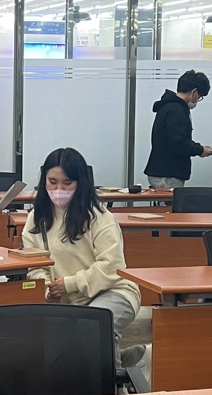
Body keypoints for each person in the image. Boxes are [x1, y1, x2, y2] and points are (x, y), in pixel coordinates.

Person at [22, 147, 145, 370]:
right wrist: (47, 289)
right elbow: (34, 265)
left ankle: (115, 386)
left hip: (113, 291)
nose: (58, 189)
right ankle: (132, 362)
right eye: (52, 182)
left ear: (80, 183)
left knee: (94, 327)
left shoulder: (99, 217)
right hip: (66, 300)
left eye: (67, 183)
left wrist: (70, 283)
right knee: (56, 352)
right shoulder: (35, 219)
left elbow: (112, 267)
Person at [144, 69, 212, 189]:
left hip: (162, 171)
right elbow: (178, 141)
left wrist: (199, 149)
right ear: (194, 92)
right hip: (168, 173)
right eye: (200, 96)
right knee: (170, 201)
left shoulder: (168, 106)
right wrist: (200, 150)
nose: (197, 100)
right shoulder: (176, 110)